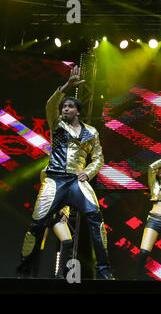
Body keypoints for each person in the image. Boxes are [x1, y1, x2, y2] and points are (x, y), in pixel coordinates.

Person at [16, 66, 114, 280]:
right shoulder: (57, 125)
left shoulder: (90, 132)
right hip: (55, 179)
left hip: (77, 181)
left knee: (96, 220)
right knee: (37, 223)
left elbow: (98, 157)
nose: (65, 109)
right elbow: (50, 105)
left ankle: (104, 272)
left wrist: (88, 172)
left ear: (78, 111)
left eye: (70, 107)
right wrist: (67, 86)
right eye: (64, 107)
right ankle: (24, 272)